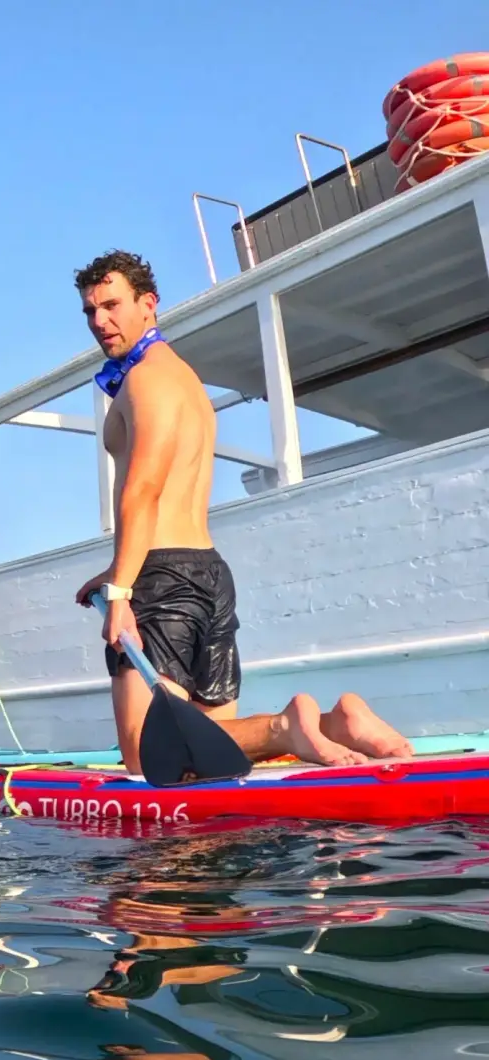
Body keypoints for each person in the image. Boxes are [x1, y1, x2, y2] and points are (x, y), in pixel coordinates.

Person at [69, 250, 412, 774]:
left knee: (144, 753)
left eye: (112, 305)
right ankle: (336, 725)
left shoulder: (146, 380)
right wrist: (118, 569)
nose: (100, 320)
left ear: (148, 303)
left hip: (162, 581)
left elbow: (144, 490)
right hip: (207, 573)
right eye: (90, 310)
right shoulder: (185, 380)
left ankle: (285, 727)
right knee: (207, 764)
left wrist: (120, 593)